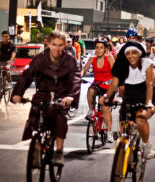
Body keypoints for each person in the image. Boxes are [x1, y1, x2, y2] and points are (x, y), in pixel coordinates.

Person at [11, 30, 81, 166]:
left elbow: (76, 80)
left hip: (62, 96)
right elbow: (27, 76)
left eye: (60, 45)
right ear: (48, 44)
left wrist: (71, 96)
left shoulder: (70, 61)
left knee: (60, 119)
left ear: (65, 46)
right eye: (54, 44)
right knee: (34, 116)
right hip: (43, 94)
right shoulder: (40, 59)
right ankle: (36, 146)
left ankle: (59, 151)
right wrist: (17, 94)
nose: (57, 48)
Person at [101, 41, 155, 159]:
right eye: (128, 53)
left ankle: (147, 145)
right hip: (129, 96)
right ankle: (125, 154)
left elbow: (149, 84)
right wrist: (106, 97)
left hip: (145, 94)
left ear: (140, 53)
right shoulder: (121, 64)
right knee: (125, 124)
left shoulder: (147, 63)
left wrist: (148, 102)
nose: (131, 56)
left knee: (140, 118)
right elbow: (114, 83)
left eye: (134, 53)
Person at [81, 39, 115, 143]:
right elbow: (84, 69)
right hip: (97, 84)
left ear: (105, 49)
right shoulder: (92, 58)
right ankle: (91, 111)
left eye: (101, 47)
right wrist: (79, 77)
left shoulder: (109, 57)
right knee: (90, 90)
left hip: (108, 86)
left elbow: (115, 72)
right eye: (97, 47)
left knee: (105, 107)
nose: (98, 50)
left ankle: (109, 133)